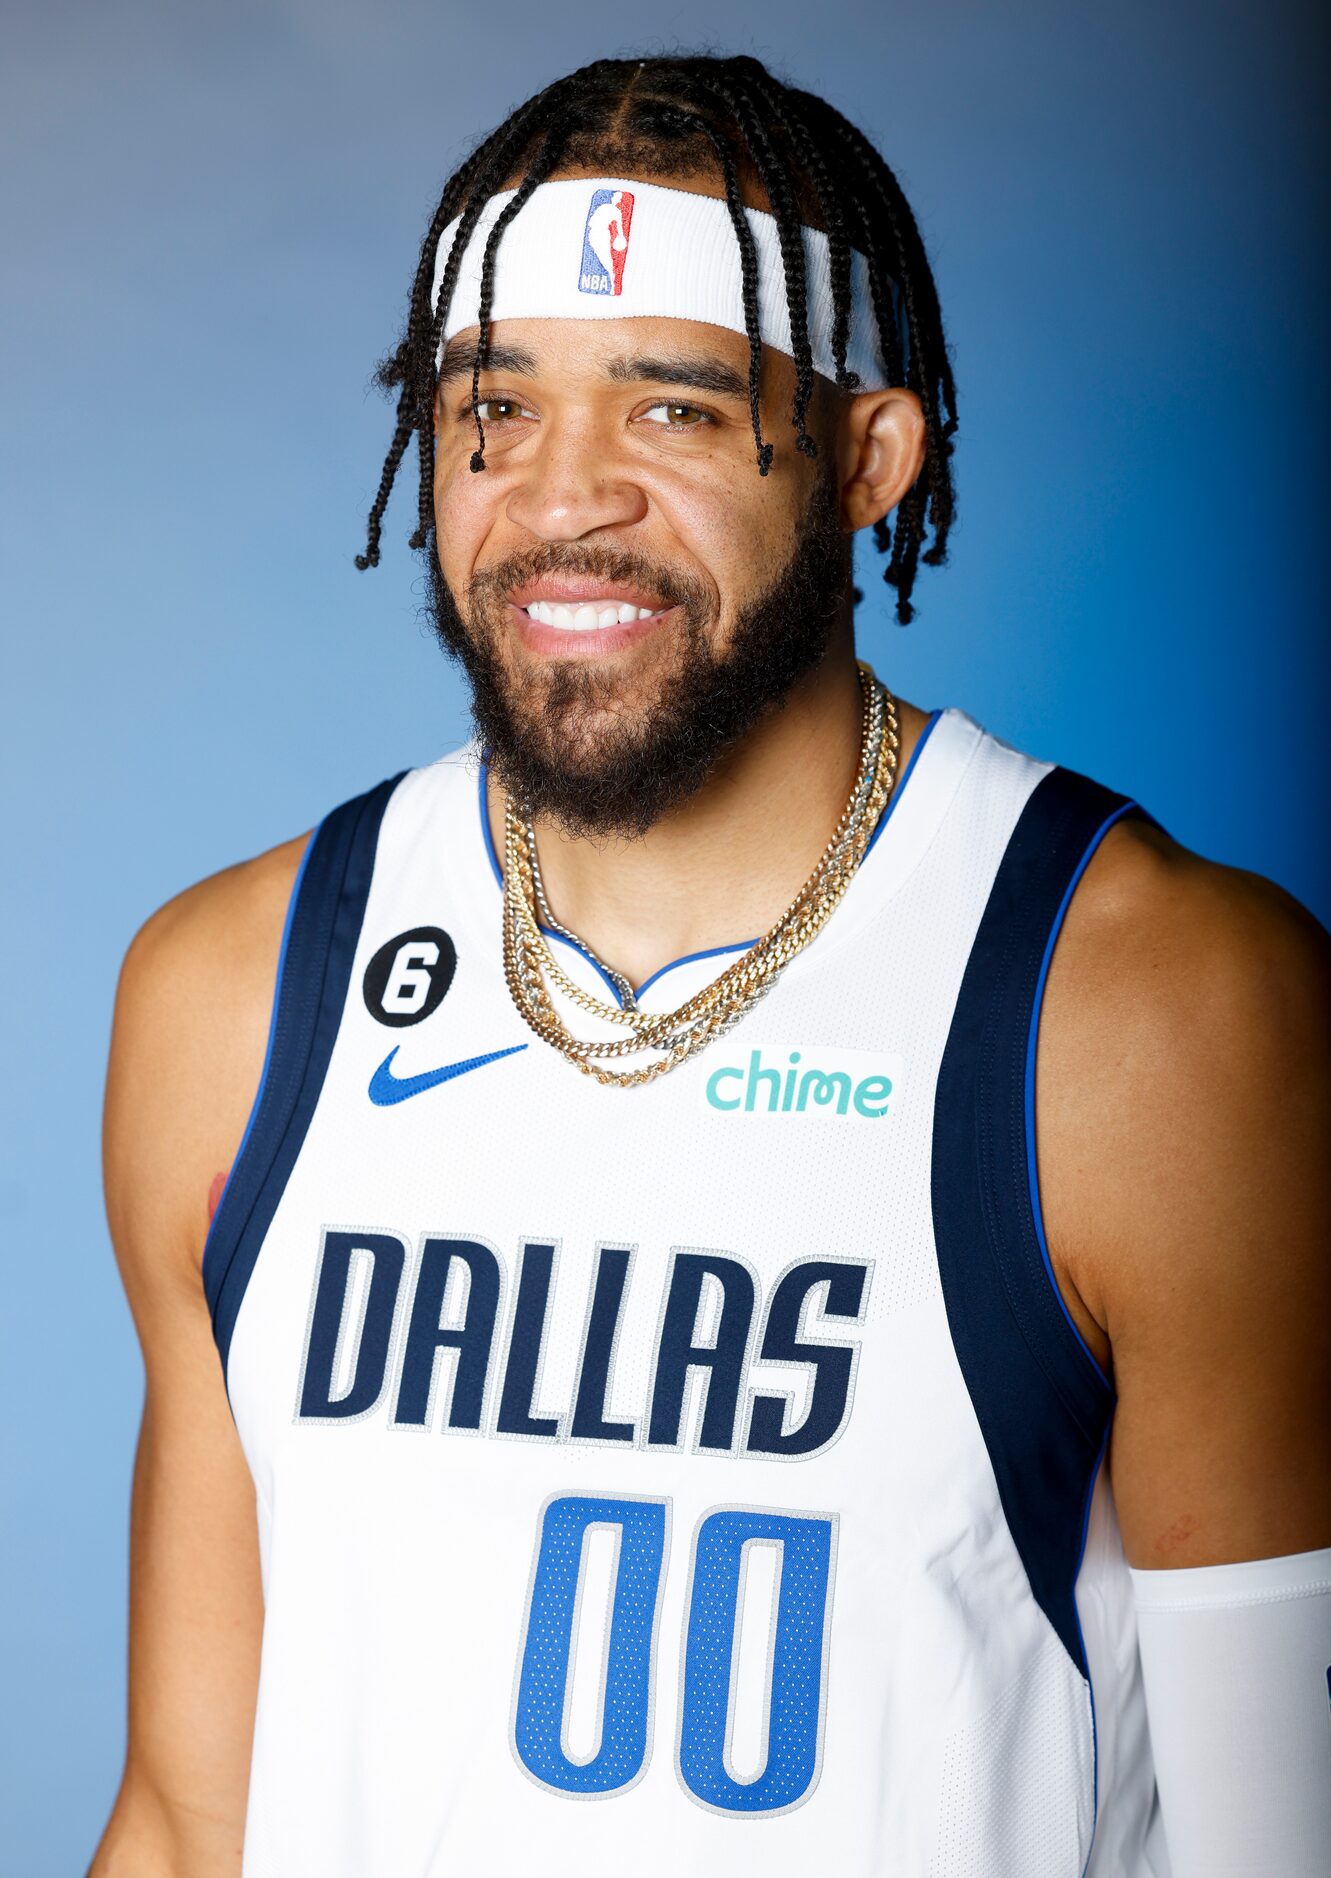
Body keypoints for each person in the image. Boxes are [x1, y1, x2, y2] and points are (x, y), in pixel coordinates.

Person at [91, 52, 1329, 1878]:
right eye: (493, 409)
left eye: (670, 410)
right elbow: (194, 1823)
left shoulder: (1147, 1013)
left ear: (865, 458)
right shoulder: (234, 992)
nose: (558, 499)